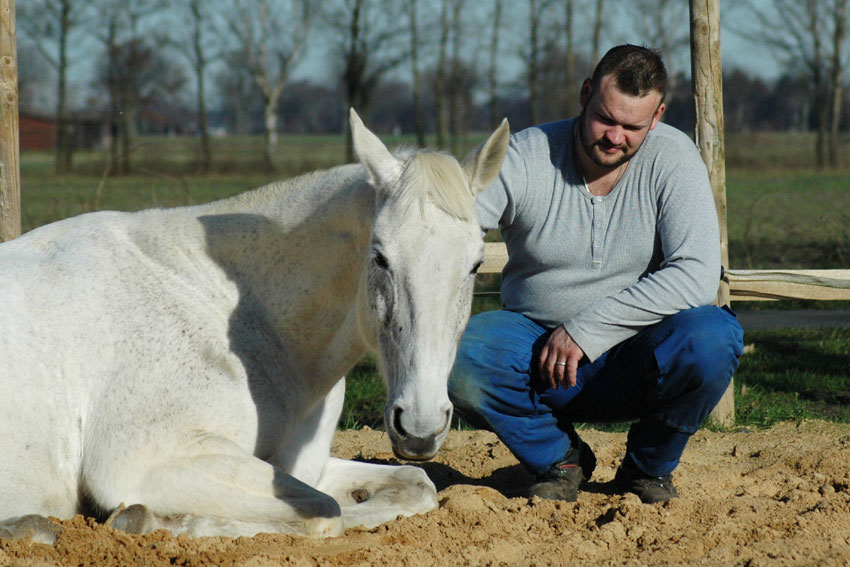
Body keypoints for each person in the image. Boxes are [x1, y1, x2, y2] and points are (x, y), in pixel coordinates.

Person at [448, 44, 744, 504]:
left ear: (658, 116)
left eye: (633, 127)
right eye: (606, 119)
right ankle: (559, 459)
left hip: (640, 356)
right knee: (458, 354)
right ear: (586, 94)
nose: (615, 137)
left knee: (712, 336)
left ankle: (647, 468)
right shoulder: (526, 157)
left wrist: (586, 331)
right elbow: (451, 223)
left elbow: (697, 274)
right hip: (538, 357)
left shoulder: (674, 158)